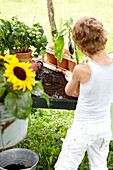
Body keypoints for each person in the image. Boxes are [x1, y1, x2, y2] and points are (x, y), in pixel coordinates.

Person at [54, 16, 113, 170]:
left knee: (66, 165)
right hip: (104, 127)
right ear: (103, 38)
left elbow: (69, 91)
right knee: (99, 164)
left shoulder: (82, 70)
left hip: (83, 128)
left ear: (80, 47)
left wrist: (71, 76)